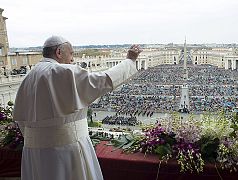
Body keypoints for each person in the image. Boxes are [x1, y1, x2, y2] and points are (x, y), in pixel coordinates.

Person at [13, 35, 142, 180]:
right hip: (65, 151)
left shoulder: (28, 78)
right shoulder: (62, 72)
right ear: (59, 52)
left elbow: (22, 122)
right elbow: (102, 80)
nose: (73, 59)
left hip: (34, 154)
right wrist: (129, 61)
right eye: (72, 53)